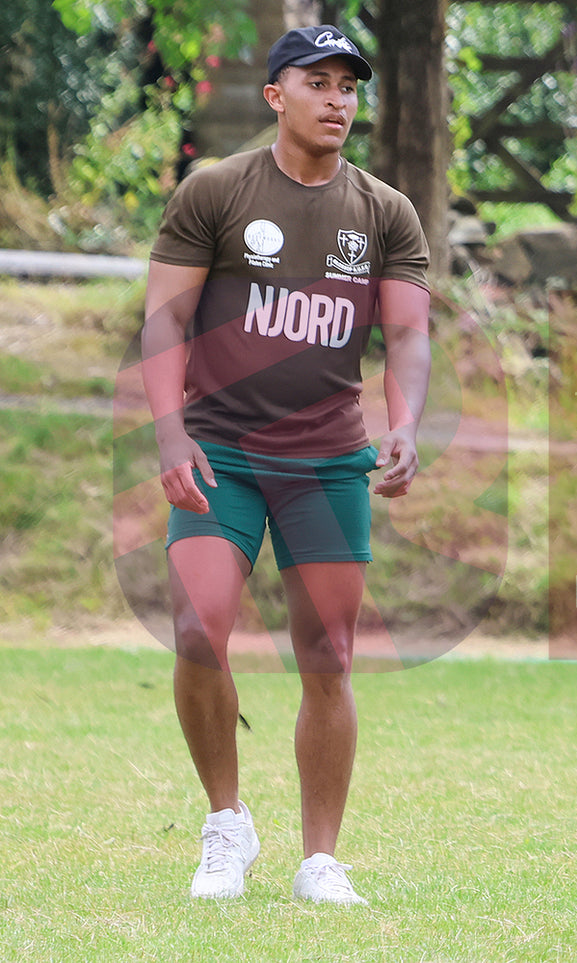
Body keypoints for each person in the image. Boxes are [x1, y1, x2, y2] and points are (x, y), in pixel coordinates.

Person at [141, 24, 431, 905]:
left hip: (327, 461)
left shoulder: (385, 210)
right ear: (276, 95)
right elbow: (165, 321)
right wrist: (169, 434)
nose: (339, 99)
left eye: (350, 85)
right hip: (221, 450)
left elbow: (410, 330)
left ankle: (319, 859)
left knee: (329, 656)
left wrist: (405, 421)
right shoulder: (218, 191)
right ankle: (226, 824)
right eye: (319, 82)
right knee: (198, 629)